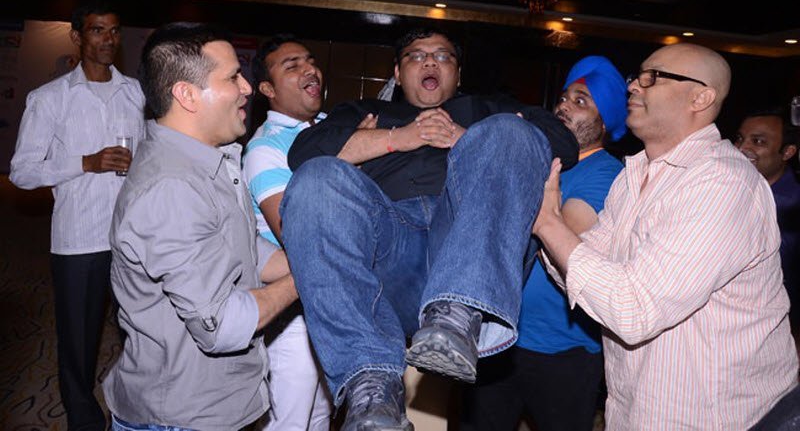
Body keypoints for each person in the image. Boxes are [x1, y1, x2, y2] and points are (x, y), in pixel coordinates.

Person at [280, 27, 579, 431]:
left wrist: (469, 140)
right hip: (388, 250)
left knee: (511, 130)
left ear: (458, 74)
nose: (429, 62)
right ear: (397, 74)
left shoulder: (491, 109)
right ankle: (372, 387)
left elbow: (562, 143)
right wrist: (396, 138)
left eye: (442, 56)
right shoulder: (365, 111)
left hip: (468, 240)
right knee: (316, 177)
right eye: (416, 56)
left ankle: (459, 314)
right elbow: (304, 153)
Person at [532, 43, 799, 430]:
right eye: (636, 77)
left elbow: (633, 311)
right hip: (637, 410)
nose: (633, 86)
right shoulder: (635, 175)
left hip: (716, 419)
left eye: (652, 77)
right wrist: (550, 223)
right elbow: (582, 270)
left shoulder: (720, 182)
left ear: (700, 98)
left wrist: (548, 223)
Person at [102, 22, 299, 431]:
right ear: (186, 94)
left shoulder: (206, 160)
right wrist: (309, 276)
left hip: (211, 406)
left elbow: (243, 248)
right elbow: (223, 325)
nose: (247, 88)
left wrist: (309, 257)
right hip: (179, 417)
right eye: (232, 77)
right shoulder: (171, 188)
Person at [461, 55, 626, 431]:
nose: (564, 106)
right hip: (498, 341)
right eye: (564, 98)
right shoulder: (541, 159)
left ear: (604, 122)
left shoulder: (607, 174)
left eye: (581, 101)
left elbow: (562, 235)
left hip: (562, 350)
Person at [9, 0, 144, 431]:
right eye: (97, 30)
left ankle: (137, 413)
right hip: (79, 239)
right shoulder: (50, 98)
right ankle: (84, 422)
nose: (108, 39)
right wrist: (85, 163)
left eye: (114, 30)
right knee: (78, 344)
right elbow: (22, 172)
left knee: (143, 335)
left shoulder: (136, 93)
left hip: (131, 238)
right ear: (77, 36)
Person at [243, 34, 332, 431]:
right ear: (268, 89)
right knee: (290, 420)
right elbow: (293, 231)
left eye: (310, 61)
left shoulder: (330, 128)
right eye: (292, 66)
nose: (309, 69)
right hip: (292, 308)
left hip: (328, 299)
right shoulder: (266, 148)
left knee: (321, 414)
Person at [735, 107, 800, 342]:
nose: (742, 148)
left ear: (788, 152)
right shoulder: (732, 188)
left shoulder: (792, 207)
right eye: (740, 138)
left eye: (758, 141)